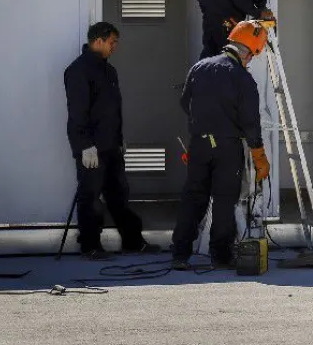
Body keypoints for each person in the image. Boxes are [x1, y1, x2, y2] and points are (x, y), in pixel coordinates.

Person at [171, 20, 272, 270]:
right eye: (253, 56)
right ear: (249, 51)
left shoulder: (199, 67)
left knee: (194, 198)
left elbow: (185, 103)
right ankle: (221, 256)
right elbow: (251, 122)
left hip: (199, 144)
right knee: (225, 201)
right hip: (227, 147)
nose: (250, 61)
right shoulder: (243, 79)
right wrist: (259, 156)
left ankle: (180, 255)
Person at [63, 22, 159, 260]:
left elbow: (112, 110)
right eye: (112, 42)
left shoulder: (109, 71)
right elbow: (78, 113)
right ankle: (91, 245)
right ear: (99, 40)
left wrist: (119, 139)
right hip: (92, 149)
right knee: (91, 198)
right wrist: (85, 146)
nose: (114, 47)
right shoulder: (78, 71)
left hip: (111, 146)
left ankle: (133, 242)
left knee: (118, 196)